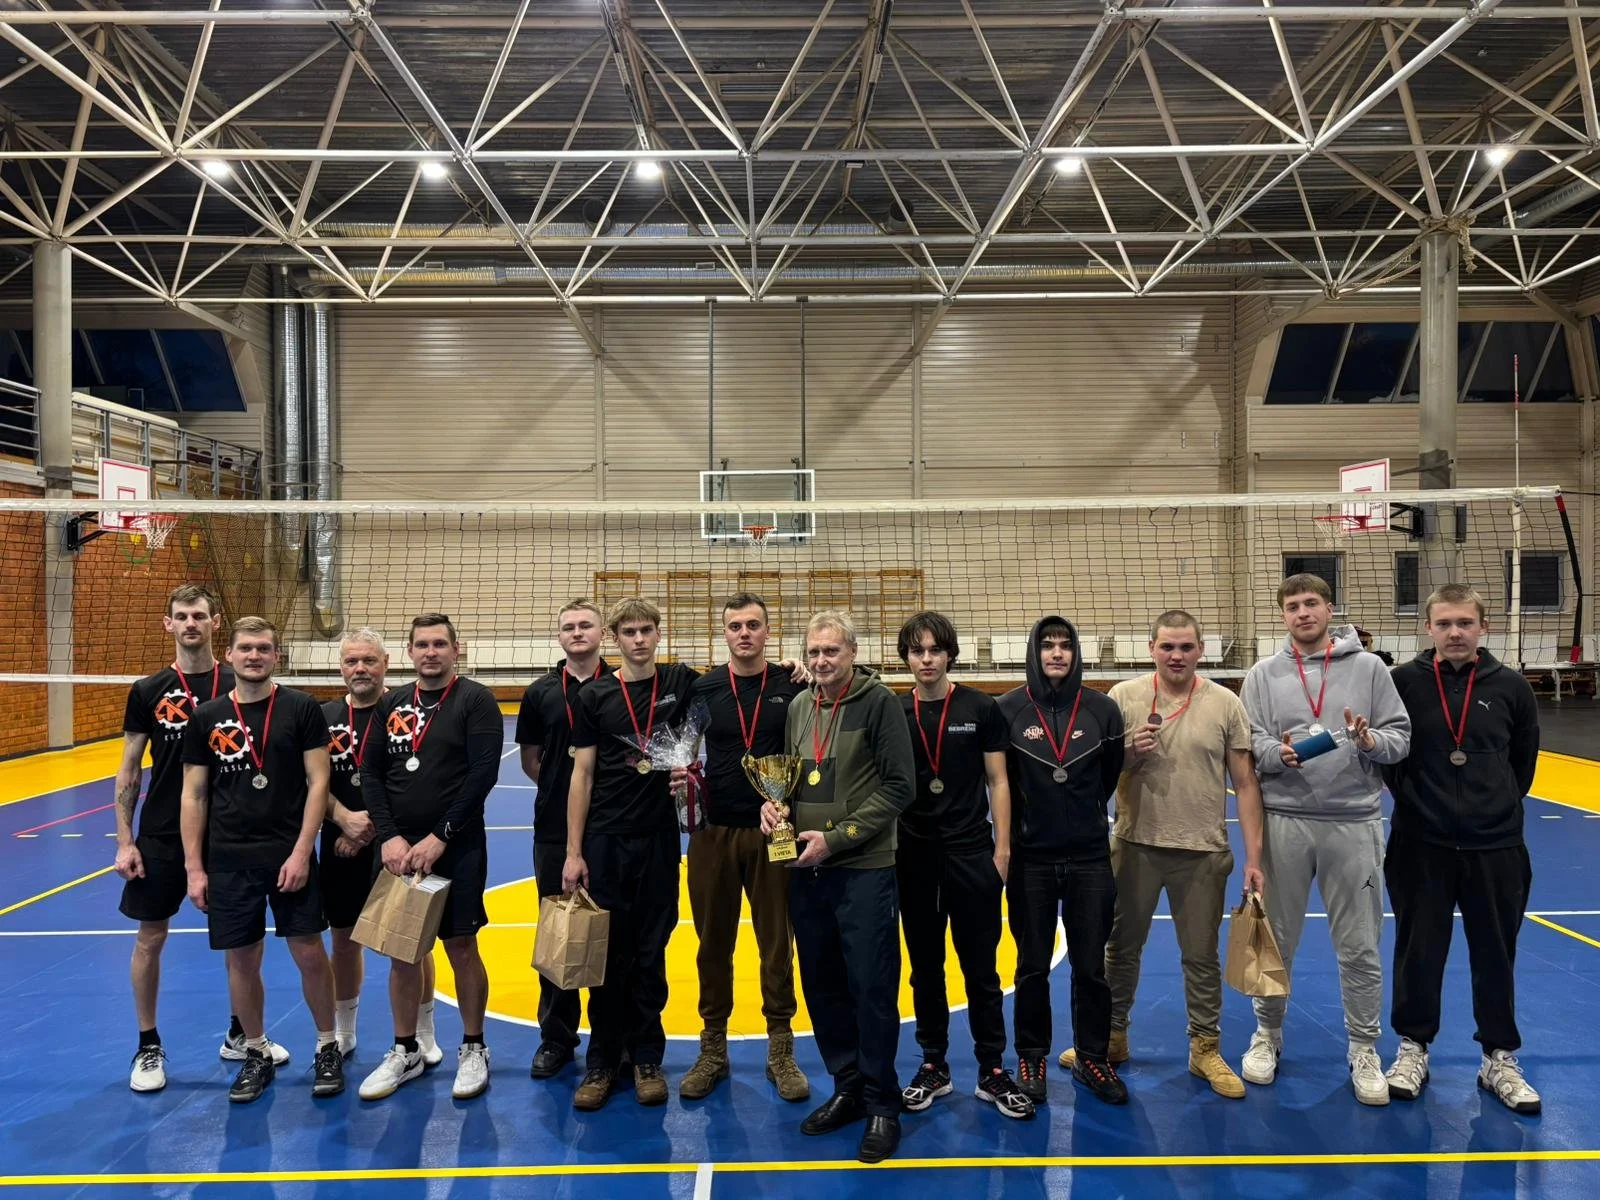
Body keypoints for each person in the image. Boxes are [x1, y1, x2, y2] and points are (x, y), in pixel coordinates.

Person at [1058, 610, 1264, 1100]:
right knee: (1120, 949)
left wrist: (1254, 858)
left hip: (1203, 851)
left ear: (1200, 651)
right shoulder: (1122, 698)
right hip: (1135, 846)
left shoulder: (1225, 703)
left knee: (1201, 956)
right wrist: (1127, 754)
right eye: (1167, 646)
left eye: (1186, 647)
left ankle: (1204, 1047)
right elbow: (1096, 775)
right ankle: (1112, 1037)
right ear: (1151, 648)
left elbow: (1245, 783)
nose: (1176, 655)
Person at [1240, 573, 1411, 1105]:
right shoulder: (1262, 674)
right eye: (1292, 605)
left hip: (1353, 822)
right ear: (1283, 615)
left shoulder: (1370, 668)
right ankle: (1267, 1034)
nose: (1303, 613)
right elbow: (1249, 740)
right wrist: (1277, 754)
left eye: (1311, 603)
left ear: (1330, 608)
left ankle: (1364, 1047)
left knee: (1360, 944)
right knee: (1274, 941)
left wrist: (1370, 740)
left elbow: (1400, 738)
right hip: (1283, 821)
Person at [115, 584, 292, 1091]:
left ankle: (242, 1033)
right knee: (151, 936)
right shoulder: (148, 690)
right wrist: (125, 839)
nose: (190, 623)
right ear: (168, 623)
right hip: (163, 832)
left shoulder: (241, 681)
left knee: (244, 941)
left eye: (199, 615)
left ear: (216, 623)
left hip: (231, 833)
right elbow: (129, 769)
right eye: (181, 615)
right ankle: (148, 1045)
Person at [759, 609, 915, 1163]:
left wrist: (836, 838)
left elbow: (899, 787)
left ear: (852, 653)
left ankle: (882, 1103)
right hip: (808, 870)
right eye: (814, 652)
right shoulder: (800, 707)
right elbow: (791, 781)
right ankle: (847, 1086)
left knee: (871, 986)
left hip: (864, 867)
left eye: (832, 651)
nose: (822, 660)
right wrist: (775, 810)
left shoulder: (879, 703)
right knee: (822, 984)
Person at [1382, 584, 1542, 1114]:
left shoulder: (1512, 687)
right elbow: (1390, 759)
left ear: (1482, 627)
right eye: (1445, 623)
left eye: (1465, 623)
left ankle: (1498, 1056)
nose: (1455, 632)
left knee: (1495, 953)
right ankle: (1413, 1048)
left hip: (1495, 845)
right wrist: (1420, 804)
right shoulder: (1401, 682)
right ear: (1428, 627)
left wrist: (1489, 806)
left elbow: (1522, 765)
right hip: (1420, 843)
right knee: (1418, 950)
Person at [179, 617, 342, 1103]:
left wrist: (302, 851)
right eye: (246, 648)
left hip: (288, 853)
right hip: (229, 858)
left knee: (309, 951)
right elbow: (194, 794)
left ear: (276, 656)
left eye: (264, 648)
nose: (254, 656)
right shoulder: (207, 716)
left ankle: (328, 1046)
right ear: (229, 655)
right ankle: (255, 1051)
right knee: (242, 958)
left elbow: (319, 782)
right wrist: (194, 868)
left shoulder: (301, 708)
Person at [358, 614, 503, 1102]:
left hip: (457, 846)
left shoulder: (476, 700)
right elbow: (371, 773)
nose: (431, 652)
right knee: (403, 952)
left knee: (461, 945)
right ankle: (406, 1050)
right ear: (410, 652)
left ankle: (474, 1047)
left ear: (456, 650)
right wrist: (389, 837)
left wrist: (441, 836)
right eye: (422, 644)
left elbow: (482, 775)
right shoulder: (391, 703)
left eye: (440, 643)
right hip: (400, 853)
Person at [894, 611, 1033, 1120]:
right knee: (925, 968)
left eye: (936, 650)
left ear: (950, 654)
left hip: (971, 853)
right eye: (917, 651)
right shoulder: (895, 710)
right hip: (914, 856)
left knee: (981, 969)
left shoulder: (980, 707)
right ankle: (934, 1064)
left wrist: (1002, 850)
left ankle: (992, 1069)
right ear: (906, 658)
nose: (927, 659)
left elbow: (998, 780)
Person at [563, 598, 699, 1111]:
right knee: (605, 954)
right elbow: (582, 775)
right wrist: (574, 852)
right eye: (629, 632)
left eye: (646, 630)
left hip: (659, 840)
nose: (639, 639)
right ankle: (601, 1062)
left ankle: (646, 1059)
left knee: (650, 953)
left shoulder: (681, 682)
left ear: (659, 634)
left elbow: (741, 676)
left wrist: (794, 666)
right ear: (614, 638)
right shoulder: (595, 695)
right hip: (606, 841)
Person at [675, 593, 811, 1103]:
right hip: (713, 832)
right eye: (735, 626)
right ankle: (713, 1048)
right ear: (725, 633)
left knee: (777, 943)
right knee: (713, 943)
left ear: (768, 631)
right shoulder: (704, 687)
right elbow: (685, 749)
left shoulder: (792, 683)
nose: (744, 633)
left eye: (753, 624)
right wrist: (681, 778)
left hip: (775, 831)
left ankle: (781, 1048)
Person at [997, 615, 1127, 1106]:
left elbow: (1108, 777)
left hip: (1090, 858)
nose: (1056, 653)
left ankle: (1092, 1056)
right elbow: (1001, 782)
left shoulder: (1103, 711)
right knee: (1031, 966)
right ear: (1034, 652)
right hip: (1030, 860)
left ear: (1076, 653)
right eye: (1047, 645)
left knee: (1091, 967)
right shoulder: (1007, 710)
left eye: (1065, 645)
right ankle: (1031, 1055)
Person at [516, 599, 613, 1080]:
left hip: (612, 826)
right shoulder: (539, 693)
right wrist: (568, 793)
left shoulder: (622, 685)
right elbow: (530, 760)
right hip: (554, 830)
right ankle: (556, 1037)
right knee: (560, 931)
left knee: (612, 934)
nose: (577, 633)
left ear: (603, 633)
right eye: (569, 627)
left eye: (586, 625)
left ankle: (613, 1038)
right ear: (559, 637)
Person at [319, 628, 390, 1058]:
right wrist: (344, 819)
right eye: (351, 661)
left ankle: (422, 1034)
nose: (360, 668)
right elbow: (312, 782)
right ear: (341, 667)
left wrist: (372, 828)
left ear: (385, 664)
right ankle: (344, 1030)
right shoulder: (322, 717)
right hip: (338, 843)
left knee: (409, 943)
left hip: (397, 843)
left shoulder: (404, 711)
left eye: (369, 660)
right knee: (343, 939)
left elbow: (416, 781)